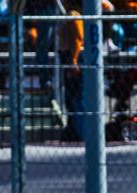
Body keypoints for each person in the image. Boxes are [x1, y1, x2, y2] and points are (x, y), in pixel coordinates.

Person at [59, 0, 84, 141]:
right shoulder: (70, 15)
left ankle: (79, 133)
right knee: (71, 99)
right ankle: (73, 130)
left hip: (72, 57)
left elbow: (78, 38)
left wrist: (73, 60)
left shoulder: (74, 15)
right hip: (68, 57)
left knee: (76, 99)